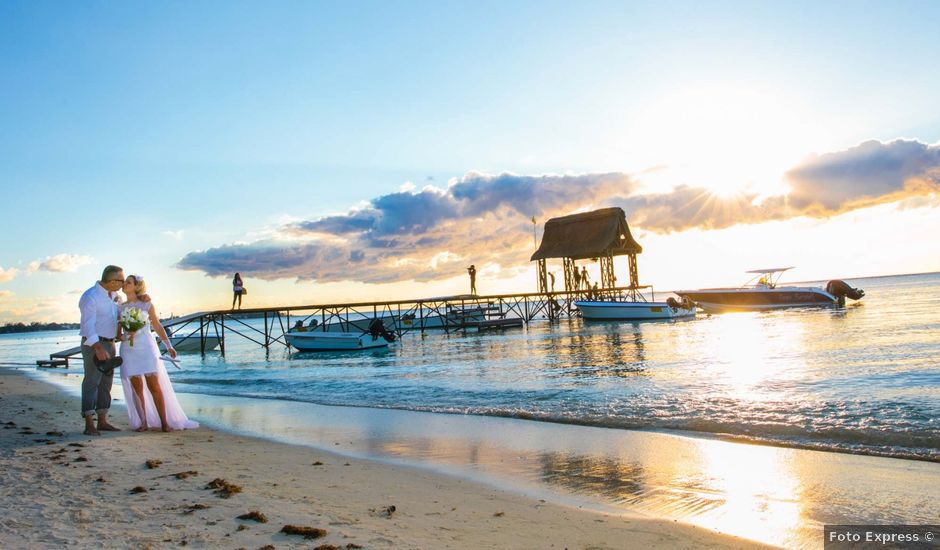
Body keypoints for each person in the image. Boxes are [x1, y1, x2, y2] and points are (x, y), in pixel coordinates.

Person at [118, 275, 198, 432]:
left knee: (154, 385)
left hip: (146, 347)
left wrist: (169, 346)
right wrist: (127, 335)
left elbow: (157, 325)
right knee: (137, 387)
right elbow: (117, 334)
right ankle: (143, 422)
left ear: (137, 286)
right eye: (125, 281)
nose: (125, 284)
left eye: (129, 282)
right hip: (129, 349)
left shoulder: (147, 304)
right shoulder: (119, 307)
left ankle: (164, 422)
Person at [78, 265, 126, 435]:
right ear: (112, 281)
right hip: (94, 345)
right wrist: (98, 347)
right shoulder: (90, 297)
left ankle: (103, 420)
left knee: (106, 382)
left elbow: (120, 316)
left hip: (111, 343)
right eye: (121, 280)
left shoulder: (116, 296)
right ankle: (89, 423)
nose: (124, 282)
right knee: (92, 381)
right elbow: (87, 325)